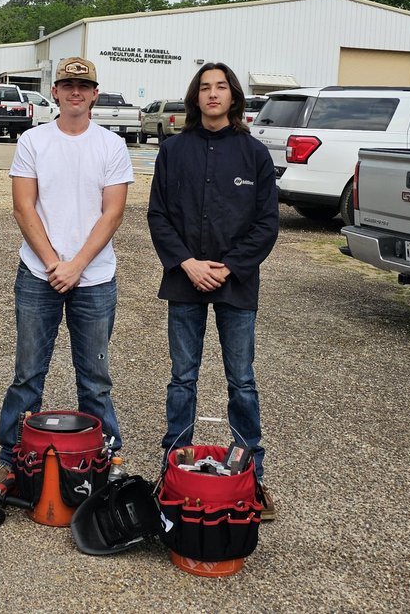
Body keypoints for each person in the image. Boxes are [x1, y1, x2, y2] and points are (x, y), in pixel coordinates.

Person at [0, 56, 134, 483]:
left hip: (95, 278)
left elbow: (112, 214)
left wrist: (77, 265)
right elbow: (23, 206)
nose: (75, 92)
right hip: (39, 275)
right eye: (67, 84)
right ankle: (12, 460)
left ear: (94, 93)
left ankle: (105, 461)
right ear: (55, 91)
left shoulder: (111, 144)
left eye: (83, 86)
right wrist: (55, 263)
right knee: (27, 375)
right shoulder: (34, 141)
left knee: (95, 378)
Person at [146, 62, 280, 519]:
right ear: (195, 97)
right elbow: (158, 216)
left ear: (234, 97)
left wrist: (228, 268)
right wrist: (187, 263)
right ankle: (173, 468)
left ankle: (252, 478)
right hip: (184, 283)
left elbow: (266, 224)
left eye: (221, 87)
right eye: (205, 88)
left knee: (241, 381)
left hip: (235, 286)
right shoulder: (174, 150)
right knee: (182, 379)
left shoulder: (254, 155)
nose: (213, 94)